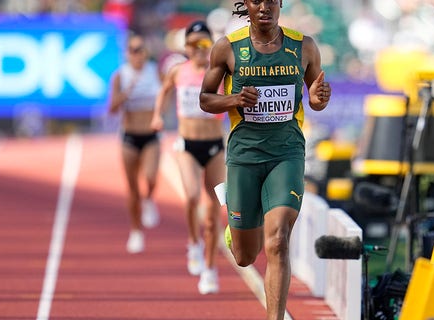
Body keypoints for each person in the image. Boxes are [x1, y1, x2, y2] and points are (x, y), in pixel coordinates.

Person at [199, 0, 331, 319]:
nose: (264, 7)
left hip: (286, 153)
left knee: (278, 239)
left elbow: (317, 96)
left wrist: (317, 98)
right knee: (245, 256)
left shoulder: (304, 47)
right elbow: (205, 99)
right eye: (257, 0)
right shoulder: (227, 48)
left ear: (280, 3)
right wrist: (233, 99)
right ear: (246, 3)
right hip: (244, 155)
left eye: (271, 0)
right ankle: (237, 227)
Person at [151, 21, 226, 295]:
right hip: (187, 146)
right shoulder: (177, 72)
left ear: (211, 45)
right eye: (193, 45)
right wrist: (158, 115)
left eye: (204, 44)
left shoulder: (221, 73)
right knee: (193, 196)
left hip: (216, 146)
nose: (198, 49)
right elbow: (163, 92)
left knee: (215, 210)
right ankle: (193, 242)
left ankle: (209, 269)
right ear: (186, 48)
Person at [108, 34, 162, 254]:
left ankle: (149, 199)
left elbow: (166, 92)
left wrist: (161, 113)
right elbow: (112, 108)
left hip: (150, 134)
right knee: (131, 190)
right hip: (129, 136)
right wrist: (125, 93)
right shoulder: (121, 76)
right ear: (127, 53)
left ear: (145, 52)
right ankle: (136, 231)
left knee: (150, 176)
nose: (136, 54)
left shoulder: (154, 71)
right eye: (132, 50)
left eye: (140, 49)